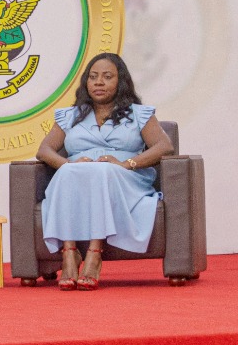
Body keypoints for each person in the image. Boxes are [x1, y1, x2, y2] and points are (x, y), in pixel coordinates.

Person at [36, 53, 171, 290]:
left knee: (102, 171)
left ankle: (94, 254)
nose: (99, 82)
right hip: (77, 178)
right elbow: (44, 150)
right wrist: (67, 164)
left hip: (124, 178)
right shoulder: (69, 116)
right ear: (86, 83)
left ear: (121, 82)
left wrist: (127, 163)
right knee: (67, 173)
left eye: (107, 77)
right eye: (93, 77)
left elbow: (164, 146)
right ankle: (69, 254)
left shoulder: (139, 114)